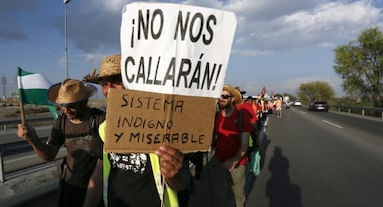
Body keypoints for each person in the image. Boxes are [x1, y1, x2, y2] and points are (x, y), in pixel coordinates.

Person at [83, 54, 191, 207]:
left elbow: (183, 183)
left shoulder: (163, 126)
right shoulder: (105, 128)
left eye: (117, 81)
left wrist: (174, 175)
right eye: (104, 84)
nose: (109, 90)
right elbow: (99, 174)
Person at [17, 79, 105, 207]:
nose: (66, 110)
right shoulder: (61, 123)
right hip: (69, 189)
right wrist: (32, 139)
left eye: (71, 105)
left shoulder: (99, 120)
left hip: (97, 191)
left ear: (84, 102)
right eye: (63, 105)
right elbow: (49, 155)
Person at [207, 84, 254, 207]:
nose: (221, 98)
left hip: (238, 164)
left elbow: (244, 145)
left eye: (225, 96)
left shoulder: (241, 116)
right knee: (218, 198)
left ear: (232, 99)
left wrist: (234, 161)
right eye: (219, 96)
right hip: (218, 161)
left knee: (238, 198)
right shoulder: (215, 116)